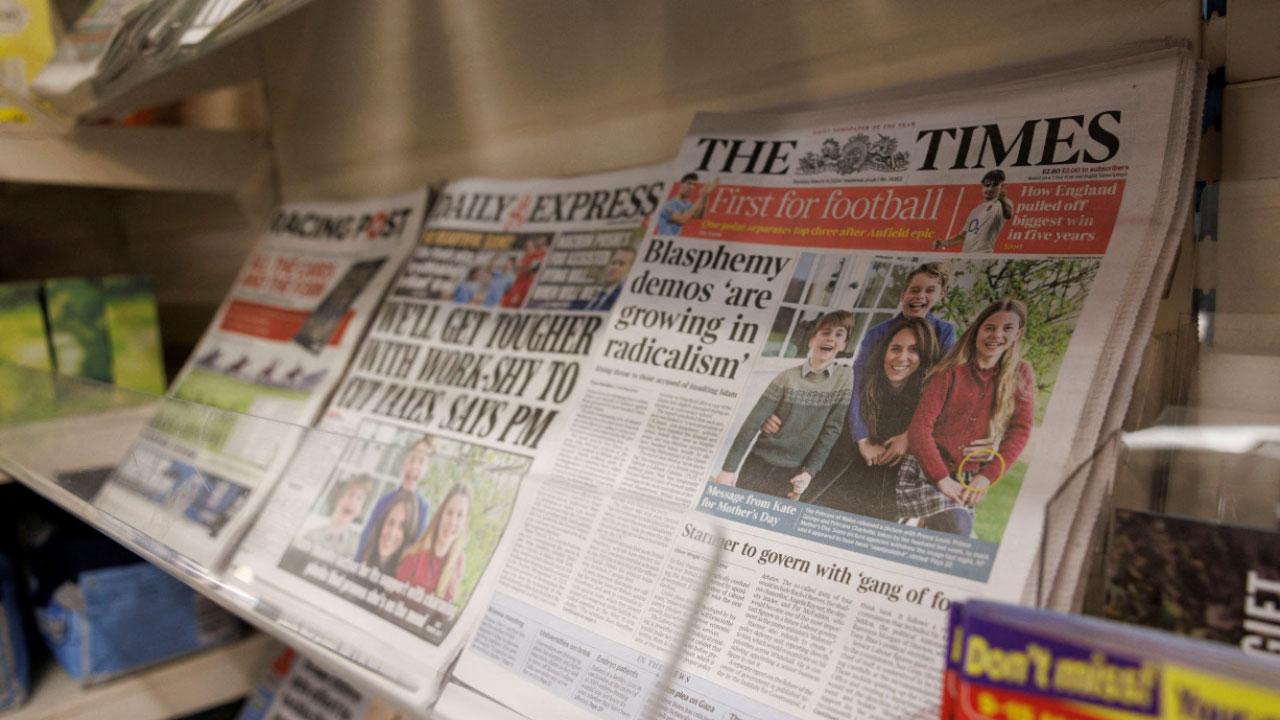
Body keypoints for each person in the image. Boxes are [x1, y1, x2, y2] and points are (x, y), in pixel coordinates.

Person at [898, 299, 1036, 536]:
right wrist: (941, 478)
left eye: (1007, 328)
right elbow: (920, 429)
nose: (996, 335)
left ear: (1018, 334)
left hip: (967, 476)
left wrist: (986, 477)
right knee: (957, 526)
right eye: (990, 327)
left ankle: (921, 527)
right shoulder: (950, 372)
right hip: (923, 470)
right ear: (977, 329)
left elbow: (1020, 431)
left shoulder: (1021, 373)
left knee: (954, 534)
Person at [714, 311, 854, 499]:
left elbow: (831, 431)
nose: (831, 338)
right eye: (825, 332)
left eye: (839, 334)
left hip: (794, 471)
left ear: (844, 344)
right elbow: (753, 423)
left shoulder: (844, 378)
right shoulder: (786, 377)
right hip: (758, 461)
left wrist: (809, 472)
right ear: (812, 340)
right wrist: (728, 469)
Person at [810, 317, 939, 519]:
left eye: (914, 350)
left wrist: (910, 438)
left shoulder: (927, 401)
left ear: (925, 356)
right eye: (895, 349)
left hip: (881, 496)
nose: (902, 358)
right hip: (837, 481)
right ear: (884, 351)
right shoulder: (859, 387)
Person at [847, 263, 957, 468]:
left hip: (914, 423)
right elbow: (857, 383)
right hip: (873, 419)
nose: (920, 296)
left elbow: (942, 389)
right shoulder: (878, 333)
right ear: (903, 294)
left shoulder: (944, 333)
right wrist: (862, 439)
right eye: (914, 290)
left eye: (930, 290)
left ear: (941, 295)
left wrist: (910, 435)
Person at [355, 436, 434, 559]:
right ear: (404, 462)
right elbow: (365, 540)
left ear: (426, 470)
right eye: (412, 458)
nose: (414, 466)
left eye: (421, 461)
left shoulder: (423, 509)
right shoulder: (384, 501)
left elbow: (417, 551)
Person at [396, 483, 471, 602]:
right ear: (441, 514)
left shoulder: (458, 561)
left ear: (465, 522)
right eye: (449, 512)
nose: (453, 521)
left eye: (460, 515)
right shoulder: (415, 554)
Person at [933, 170, 1014, 253]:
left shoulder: (1001, 203)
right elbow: (963, 236)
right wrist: (943, 243)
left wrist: (1002, 200)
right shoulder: (975, 210)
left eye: (994, 185)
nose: (989, 189)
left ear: (1001, 187)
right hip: (966, 254)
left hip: (984, 253)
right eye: (987, 185)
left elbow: (1008, 214)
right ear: (983, 187)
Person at [303, 474, 374, 557]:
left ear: (360, 510)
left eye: (359, 498)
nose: (353, 501)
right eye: (350, 494)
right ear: (338, 498)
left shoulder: (359, 545)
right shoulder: (312, 535)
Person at [357, 491, 418, 574]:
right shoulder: (361, 558)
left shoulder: (404, 576)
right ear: (382, 523)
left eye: (401, 527)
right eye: (390, 522)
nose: (392, 533)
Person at [574, 247, 635, 311]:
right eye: (613, 263)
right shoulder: (585, 291)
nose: (614, 268)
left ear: (629, 269)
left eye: (621, 264)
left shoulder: (622, 298)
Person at [501, 236, 548, 308]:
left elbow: (533, 268)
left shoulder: (538, 255)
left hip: (526, 286)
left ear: (534, 247)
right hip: (518, 285)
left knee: (516, 304)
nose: (527, 248)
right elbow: (517, 269)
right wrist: (520, 267)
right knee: (507, 304)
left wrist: (522, 267)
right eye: (526, 246)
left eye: (530, 246)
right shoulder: (524, 258)